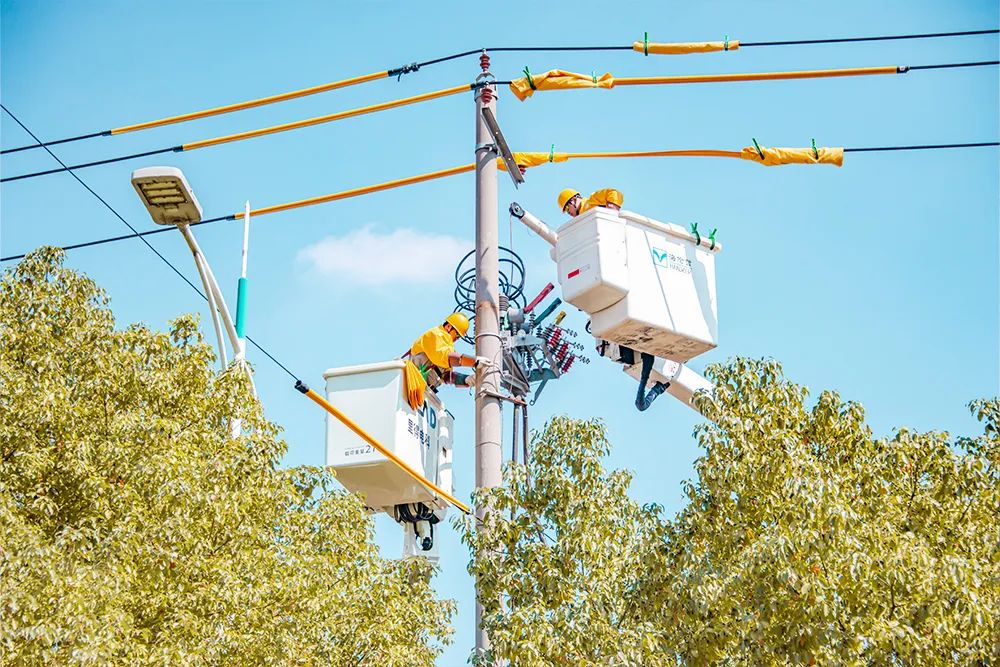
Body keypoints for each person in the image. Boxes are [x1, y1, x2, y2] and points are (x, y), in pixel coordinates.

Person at [403, 312, 487, 409]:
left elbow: (446, 376)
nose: (457, 339)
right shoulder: (435, 335)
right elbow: (444, 357)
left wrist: (466, 380)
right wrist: (474, 361)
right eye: (457, 335)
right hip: (411, 381)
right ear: (448, 327)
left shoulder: (448, 347)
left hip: (421, 390)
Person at [556, 187, 624, 217]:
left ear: (573, 200)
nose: (568, 213)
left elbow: (614, 192)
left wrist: (612, 209)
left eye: (567, 209)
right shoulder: (579, 222)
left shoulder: (592, 200)